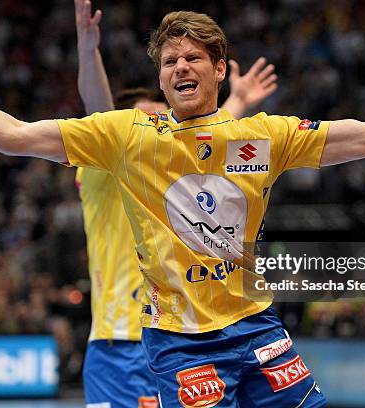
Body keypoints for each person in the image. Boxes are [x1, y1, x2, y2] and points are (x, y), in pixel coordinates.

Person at [0, 9, 365, 406]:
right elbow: (15, 135)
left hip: (257, 327)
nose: (180, 67)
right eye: (169, 61)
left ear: (218, 69)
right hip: (179, 341)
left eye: (192, 58)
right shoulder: (127, 136)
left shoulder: (261, 136)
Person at [73, 1, 277, 406]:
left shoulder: (169, 163)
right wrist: (88, 51)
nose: (155, 128)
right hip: (122, 343)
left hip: (186, 337)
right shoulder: (112, 160)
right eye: (145, 121)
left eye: (159, 120)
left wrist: (237, 100)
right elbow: (99, 110)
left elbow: (202, 139)